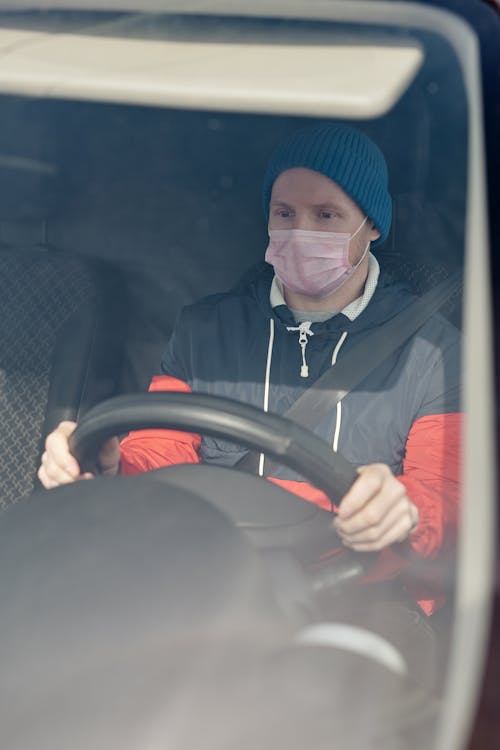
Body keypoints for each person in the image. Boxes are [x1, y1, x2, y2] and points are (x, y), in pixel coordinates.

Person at [38, 124, 461, 619]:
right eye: (285, 213)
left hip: (353, 598)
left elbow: (449, 498)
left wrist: (405, 510)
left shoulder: (434, 351)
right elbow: (161, 451)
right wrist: (105, 468)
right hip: (204, 582)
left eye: (326, 215)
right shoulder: (204, 328)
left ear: (371, 225)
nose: (300, 231)